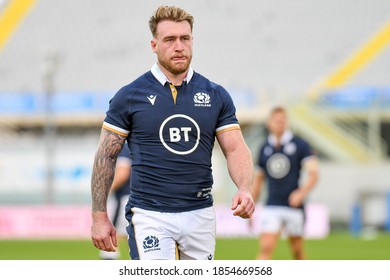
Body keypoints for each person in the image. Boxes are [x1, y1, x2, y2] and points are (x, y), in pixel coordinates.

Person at [91, 5, 255, 260]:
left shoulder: (216, 94)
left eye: (184, 38)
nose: (179, 46)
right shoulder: (130, 96)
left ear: (192, 41)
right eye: (170, 39)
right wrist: (99, 215)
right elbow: (106, 156)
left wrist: (245, 188)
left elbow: (234, 148)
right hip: (149, 214)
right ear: (154, 44)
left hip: (200, 213)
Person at [252, 106, 319, 260]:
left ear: (287, 122)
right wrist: (252, 204)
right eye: (276, 121)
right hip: (272, 205)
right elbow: (259, 180)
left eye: (282, 121)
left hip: (293, 206)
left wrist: (301, 193)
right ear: (269, 123)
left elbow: (314, 174)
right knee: (266, 247)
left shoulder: (301, 145)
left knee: (297, 250)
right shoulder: (264, 147)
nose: (279, 124)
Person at [99, 144, 131, 260]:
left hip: (124, 200)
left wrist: (105, 191)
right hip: (135, 198)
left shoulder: (124, 148)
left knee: (110, 238)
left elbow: (123, 173)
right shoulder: (136, 146)